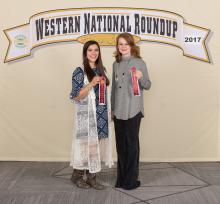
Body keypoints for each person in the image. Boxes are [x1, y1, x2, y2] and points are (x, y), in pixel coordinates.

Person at [69, 40, 113, 190]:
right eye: (90, 50)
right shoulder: (79, 71)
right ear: (85, 53)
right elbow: (76, 96)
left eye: (96, 50)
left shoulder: (102, 70)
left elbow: (105, 95)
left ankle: (92, 177)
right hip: (86, 116)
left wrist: (109, 112)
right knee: (84, 147)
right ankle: (77, 175)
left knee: (95, 147)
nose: (93, 53)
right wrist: (90, 84)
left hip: (101, 115)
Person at [111, 33, 151, 190]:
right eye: (120, 44)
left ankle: (131, 181)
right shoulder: (116, 64)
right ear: (117, 46)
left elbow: (147, 85)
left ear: (131, 45)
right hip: (119, 111)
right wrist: (112, 109)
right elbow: (114, 89)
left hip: (133, 110)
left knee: (131, 146)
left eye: (126, 44)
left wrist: (140, 77)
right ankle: (121, 179)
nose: (123, 47)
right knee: (121, 146)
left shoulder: (140, 63)